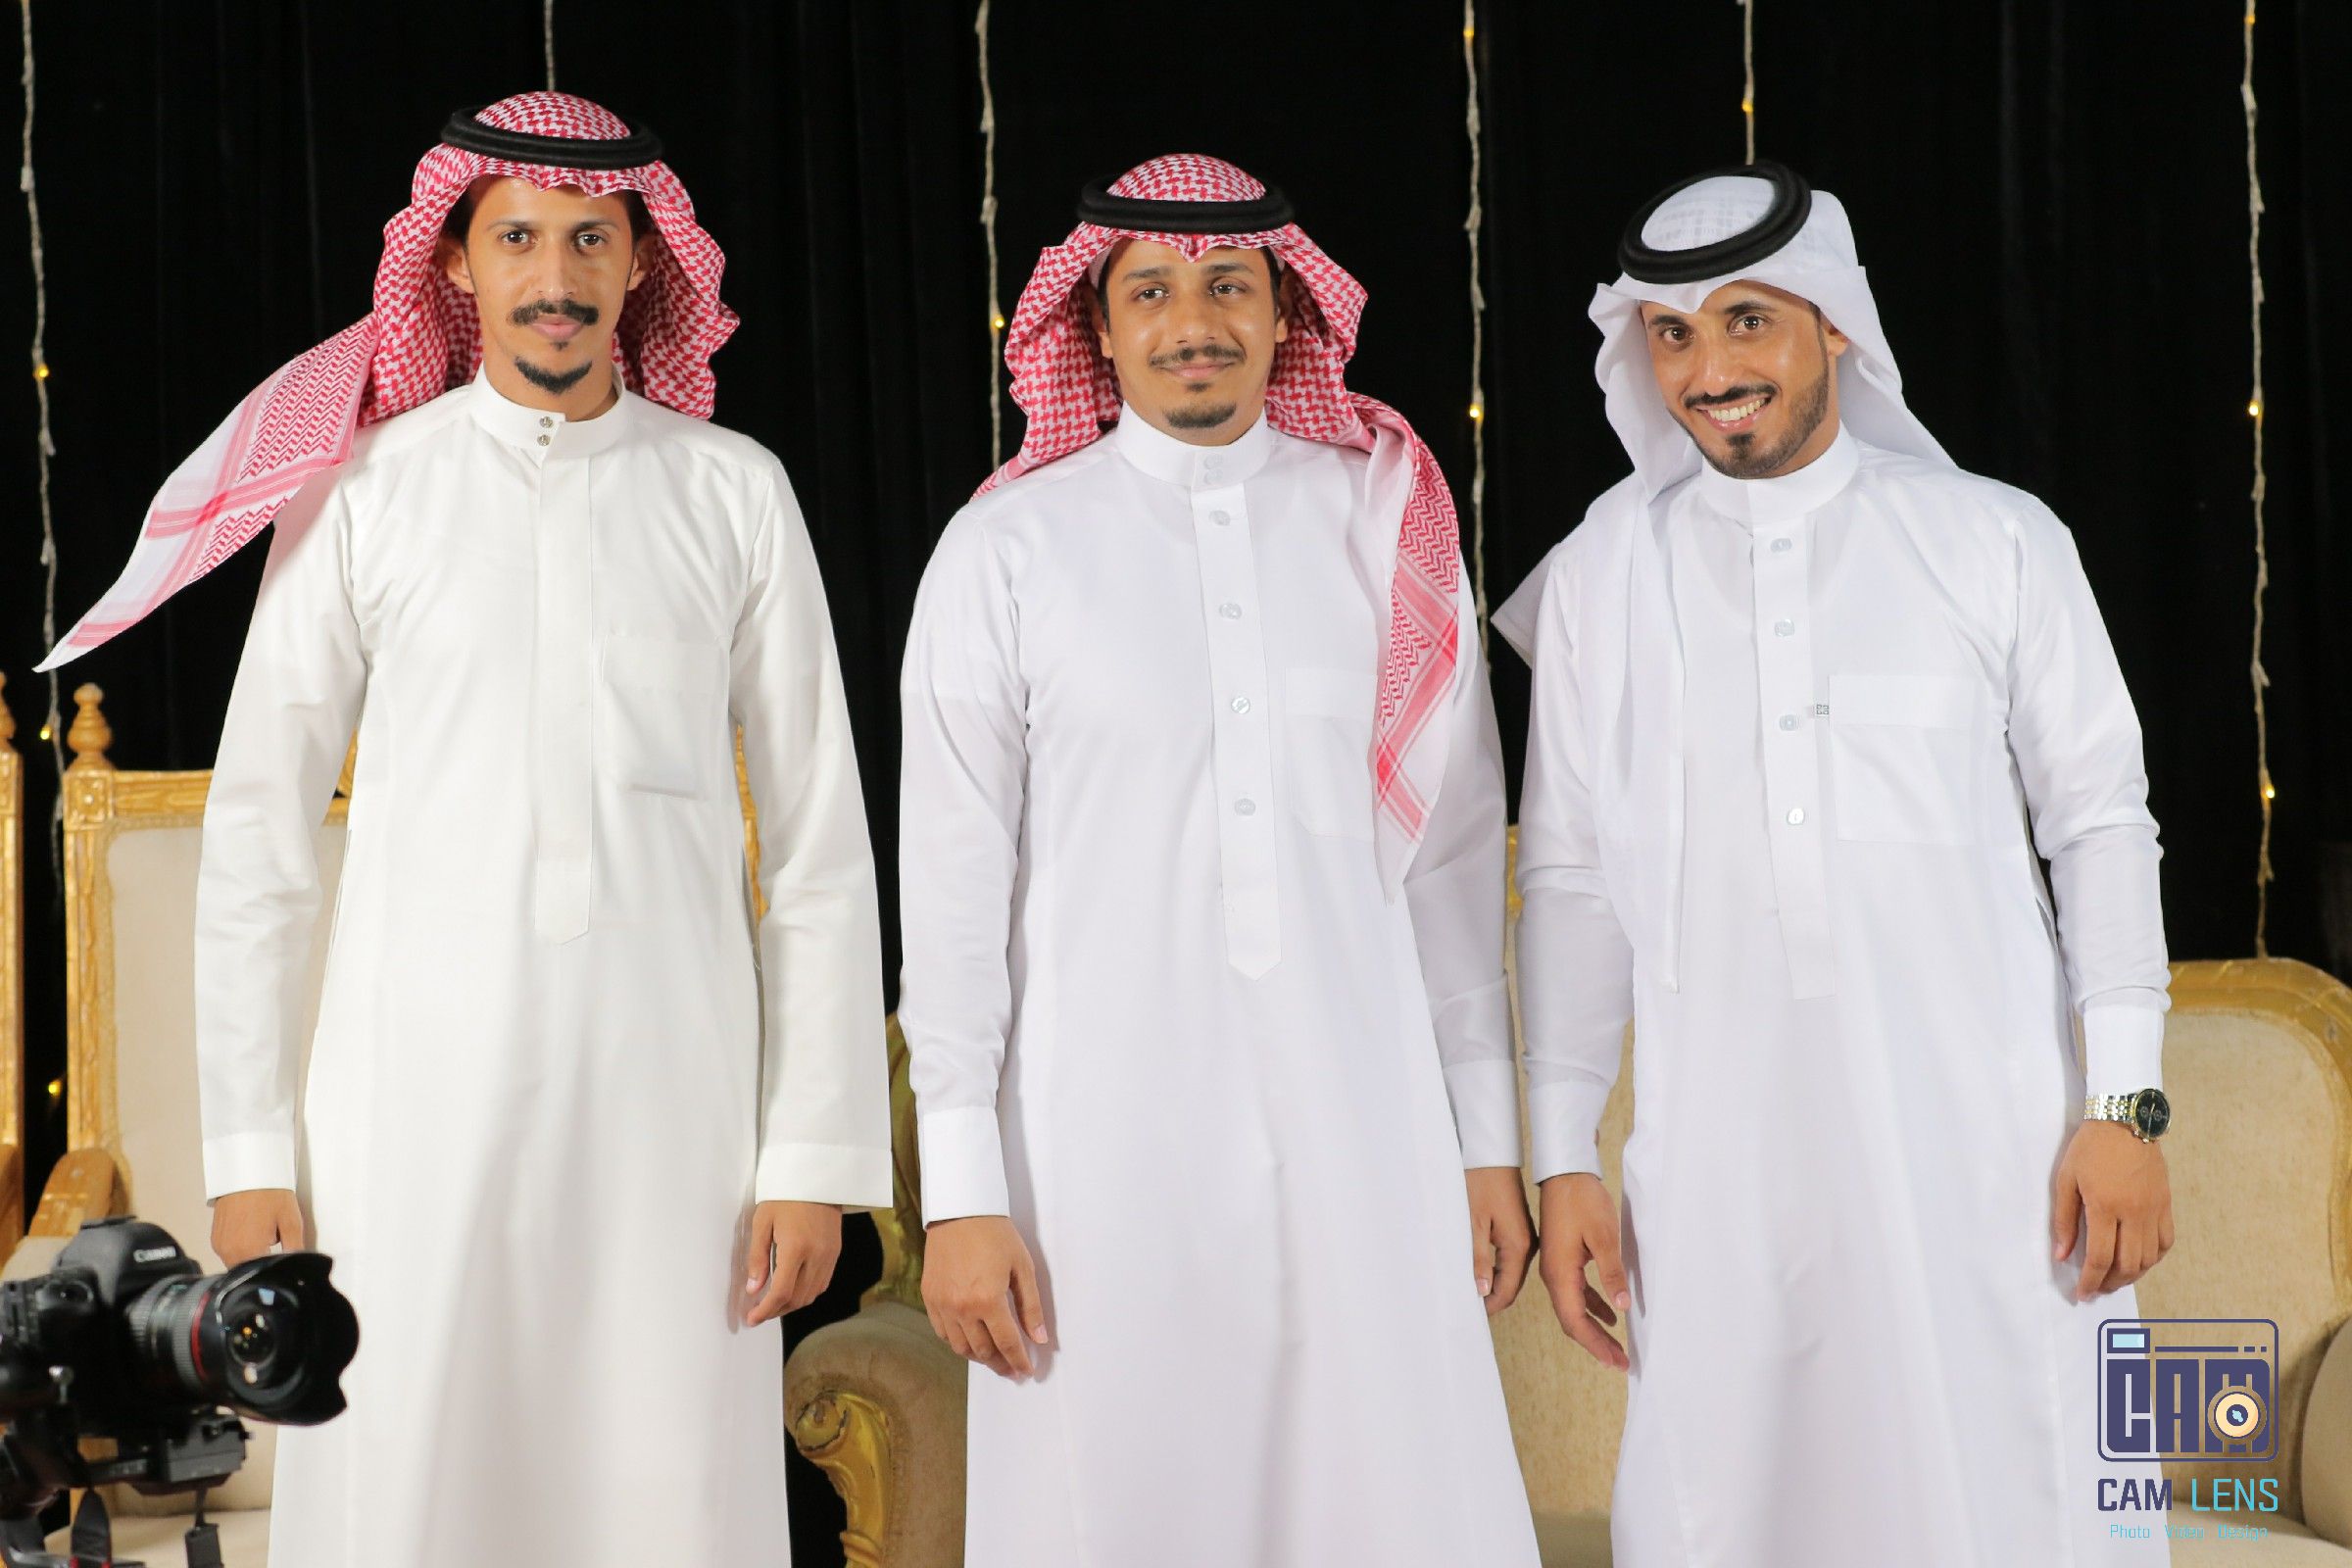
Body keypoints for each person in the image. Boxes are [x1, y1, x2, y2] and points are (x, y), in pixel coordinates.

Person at [48, 92, 890, 1565]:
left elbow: (820, 850)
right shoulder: (365, 488)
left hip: (672, 1120)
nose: (556, 276)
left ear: (644, 262)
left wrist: (808, 1153)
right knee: (410, 1491)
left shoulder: (735, 494)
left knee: (665, 1499)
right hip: (409, 1116)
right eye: (518, 239)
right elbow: (258, 842)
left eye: (590, 239)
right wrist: (249, 1151)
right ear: (454, 261)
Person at [1497, 162, 2176, 1566]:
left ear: (1834, 325)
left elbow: (2103, 825)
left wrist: (2127, 1107)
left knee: (2033, 1504)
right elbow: (1567, 880)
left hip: (1998, 1171)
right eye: (1673, 335)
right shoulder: (1601, 579)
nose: (1711, 371)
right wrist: (1562, 1160)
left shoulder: (1994, 541)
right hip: (1721, 1189)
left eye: (1747, 320)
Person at [897, 155, 1541, 1566]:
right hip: (1096, 1154)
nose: (1194, 322)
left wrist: (1488, 1147)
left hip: (1364, 1129)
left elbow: (1450, 868)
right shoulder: (1004, 551)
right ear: (1096, 325)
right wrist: (962, 1195)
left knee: (1387, 1505)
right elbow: (949, 899)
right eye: (1152, 292)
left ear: (1287, 313)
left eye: (1229, 286)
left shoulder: (1387, 525)